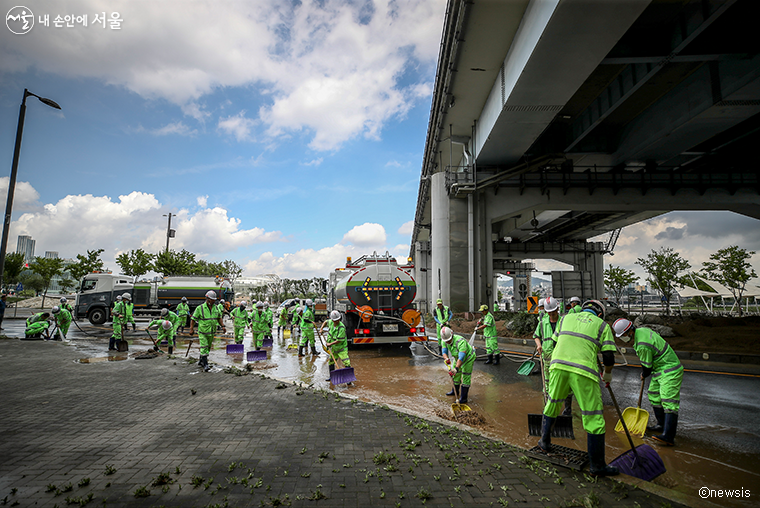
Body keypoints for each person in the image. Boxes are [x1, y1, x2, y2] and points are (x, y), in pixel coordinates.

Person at [538, 299, 618, 476]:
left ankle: (544, 442)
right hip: (583, 371)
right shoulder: (602, 325)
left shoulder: (565, 319)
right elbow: (608, 357)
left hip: (558, 366)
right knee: (593, 416)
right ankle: (597, 466)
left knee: (552, 404)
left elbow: (557, 341)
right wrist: (608, 374)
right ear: (599, 314)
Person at [613, 318, 683, 446]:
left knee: (669, 401)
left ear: (629, 332)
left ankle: (669, 435)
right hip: (660, 370)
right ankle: (661, 424)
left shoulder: (642, 345)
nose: (622, 338)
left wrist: (643, 374)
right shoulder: (642, 331)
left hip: (669, 370)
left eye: (622, 335)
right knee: (653, 395)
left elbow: (647, 367)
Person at [533, 297, 573, 416]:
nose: (552, 314)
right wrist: (539, 345)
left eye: (554, 311)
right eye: (549, 312)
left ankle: (568, 408)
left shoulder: (564, 322)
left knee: (565, 382)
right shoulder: (542, 323)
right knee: (548, 383)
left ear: (558, 309)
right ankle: (549, 408)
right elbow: (536, 336)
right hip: (547, 356)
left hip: (563, 356)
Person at [189, 291, 225, 372]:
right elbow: (193, 319)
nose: (213, 301)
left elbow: (219, 318)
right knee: (204, 346)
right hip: (203, 332)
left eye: (214, 300)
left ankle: (201, 360)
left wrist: (223, 326)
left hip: (211, 332)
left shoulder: (216, 308)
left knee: (208, 348)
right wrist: (191, 329)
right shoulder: (200, 308)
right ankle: (205, 364)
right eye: (212, 300)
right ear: (207, 299)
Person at [440, 326, 476, 404]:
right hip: (457, 358)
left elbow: (461, 357)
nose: (448, 342)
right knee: (455, 375)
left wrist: (456, 368)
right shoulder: (444, 340)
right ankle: (454, 391)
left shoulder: (460, 341)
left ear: (452, 335)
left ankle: (463, 398)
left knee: (466, 376)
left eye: (449, 340)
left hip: (467, 359)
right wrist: (446, 359)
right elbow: (444, 352)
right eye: (446, 341)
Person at [320, 310, 351, 383]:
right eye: (335, 320)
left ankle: (348, 379)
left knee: (346, 362)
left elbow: (339, 340)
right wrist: (321, 329)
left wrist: (329, 344)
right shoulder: (330, 322)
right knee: (331, 362)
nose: (336, 321)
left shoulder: (341, 328)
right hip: (333, 348)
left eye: (338, 320)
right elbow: (325, 322)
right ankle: (332, 376)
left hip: (341, 348)